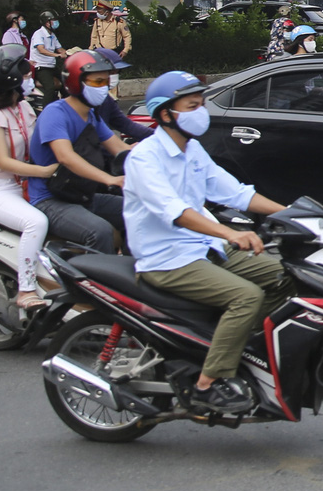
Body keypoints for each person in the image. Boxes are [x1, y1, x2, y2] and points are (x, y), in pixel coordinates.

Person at [125, 72, 293, 416]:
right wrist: (230, 233)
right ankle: (206, 385)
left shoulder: (193, 150)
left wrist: (293, 214)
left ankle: (231, 346)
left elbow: (235, 193)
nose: (201, 112)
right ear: (166, 113)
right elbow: (178, 213)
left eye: (201, 104)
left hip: (204, 246)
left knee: (286, 275)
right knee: (247, 296)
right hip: (167, 257)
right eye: (192, 106)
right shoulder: (144, 158)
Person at [0, 46, 62, 313]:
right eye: (25, 74)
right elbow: (3, 162)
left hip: (22, 185)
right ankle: (26, 290)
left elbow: (41, 143)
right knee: (35, 222)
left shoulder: (23, 108)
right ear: (12, 81)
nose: (29, 77)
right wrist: (45, 172)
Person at [27, 50, 130, 253]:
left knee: (140, 210)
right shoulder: (55, 113)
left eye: (106, 82)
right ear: (76, 82)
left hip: (79, 194)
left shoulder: (91, 115)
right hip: (50, 199)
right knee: (99, 232)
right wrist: (109, 179)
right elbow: (66, 157)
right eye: (97, 82)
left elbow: (120, 149)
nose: (105, 88)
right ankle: (96, 281)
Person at [87, 48, 150, 141]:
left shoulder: (106, 100)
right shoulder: (68, 109)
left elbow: (127, 126)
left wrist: (165, 137)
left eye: (117, 72)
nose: (114, 76)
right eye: (111, 72)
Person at [28, 11, 67, 100]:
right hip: (41, 67)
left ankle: (66, 105)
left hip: (51, 66)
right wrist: (57, 55)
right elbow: (41, 49)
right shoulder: (39, 34)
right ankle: (46, 110)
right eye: (53, 20)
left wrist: (71, 53)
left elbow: (60, 49)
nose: (56, 22)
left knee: (67, 82)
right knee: (50, 87)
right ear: (47, 22)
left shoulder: (52, 35)